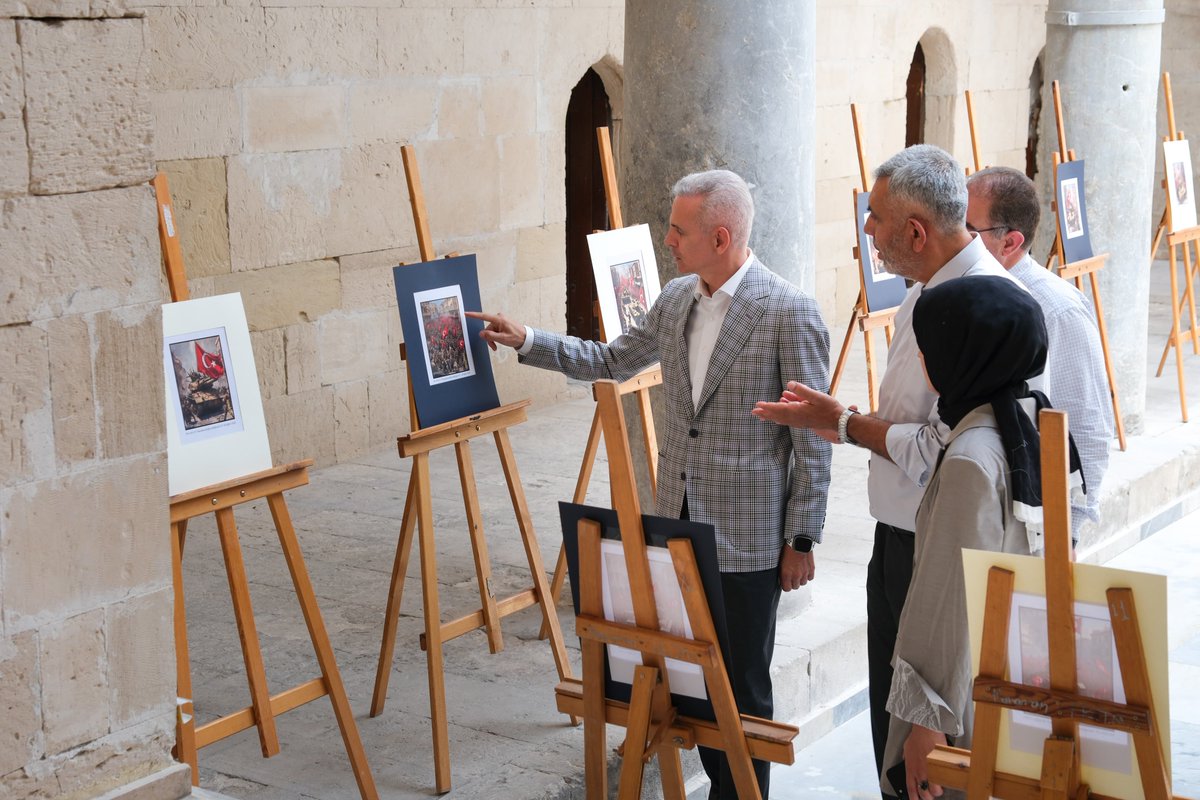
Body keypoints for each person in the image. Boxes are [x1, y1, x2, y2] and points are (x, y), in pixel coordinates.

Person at [468, 169, 832, 799]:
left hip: (747, 539)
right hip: (678, 530)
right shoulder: (676, 299)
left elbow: (813, 439)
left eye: (678, 230)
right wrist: (528, 340)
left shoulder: (788, 310)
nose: (667, 240)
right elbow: (611, 361)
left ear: (720, 238)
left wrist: (802, 538)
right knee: (690, 686)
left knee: (742, 694)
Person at [751, 144, 1018, 797]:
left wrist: (844, 424)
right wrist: (845, 420)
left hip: (941, 549)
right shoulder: (928, 290)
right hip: (899, 538)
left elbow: (940, 447)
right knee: (891, 738)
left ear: (917, 231)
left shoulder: (980, 306)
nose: (866, 230)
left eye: (874, 216)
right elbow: (918, 420)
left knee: (925, 756)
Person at [880, 275, 1079, 800]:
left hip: (965, 700)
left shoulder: (972, 457)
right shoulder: (1034, 420)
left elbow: (946, 601)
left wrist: (926, 722)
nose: (922, 359)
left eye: (928, 347)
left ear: (958, 356)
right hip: (1018, 674)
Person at [966, 166, 1112, 537]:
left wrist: (1067, 531)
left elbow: (1088, 426)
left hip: (1025, 522)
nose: (956, 237)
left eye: (967, 228)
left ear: (1010, 243)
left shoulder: (1058, 309)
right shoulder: (960, 291)